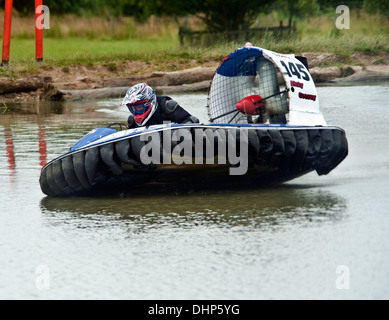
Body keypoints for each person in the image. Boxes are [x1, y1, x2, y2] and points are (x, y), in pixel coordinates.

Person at [121, 83, 199, 128]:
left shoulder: (167, 107)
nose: (136, 112)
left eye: (139, 107)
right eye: (133, 108)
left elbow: (193, 121)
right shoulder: (133, 121)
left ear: (149, 103)